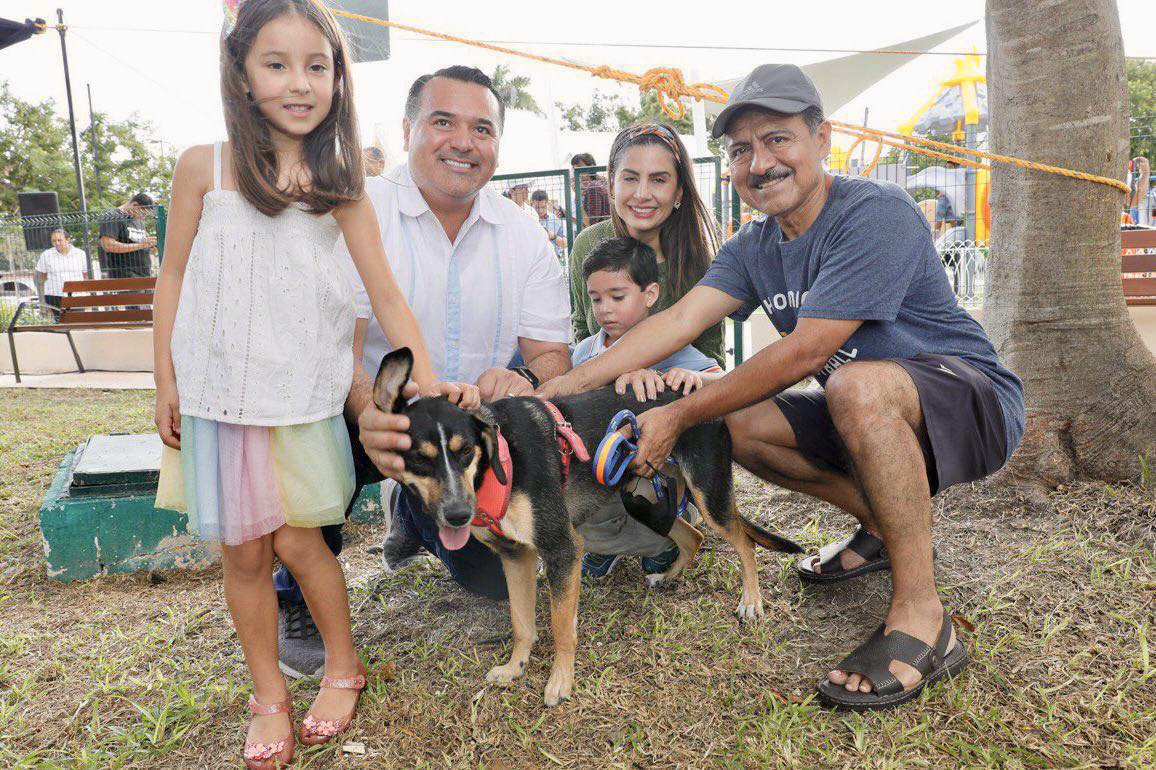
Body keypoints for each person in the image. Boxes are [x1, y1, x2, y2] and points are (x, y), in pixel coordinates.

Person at [540, 63, 1025, 711]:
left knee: (846, 385)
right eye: (741, 150)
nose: (759, 162)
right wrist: (555, 394)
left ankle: (922, 616)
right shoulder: (753, 245)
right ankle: (881, 527)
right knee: (733, 424)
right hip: (866, 409)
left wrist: (678, 414)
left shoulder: (874, 212)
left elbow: (809, 350)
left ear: (822, 138)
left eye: (778, 139)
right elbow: (675, 324)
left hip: (971, 402)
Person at [151, 4, 476, 767]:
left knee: (301, 542)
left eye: (317, 66)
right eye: (277, 63)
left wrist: (424, 385)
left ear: (339, 77)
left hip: (297, 397)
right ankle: (268, 693)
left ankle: (342, 665)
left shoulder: (343, 183)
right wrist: (163, 374)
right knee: (243, 554)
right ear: (240, 71)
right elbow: (172, 274)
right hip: (217, 398)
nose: (300, 83)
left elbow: (386, 295)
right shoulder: (203, 165)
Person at [273, 64, 572, 679]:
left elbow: (550, 360)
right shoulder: (362, 208)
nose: (464, 141)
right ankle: (295, 593)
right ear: (408, 130)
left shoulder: (525, 233)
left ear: (497, 144)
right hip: (369, 409)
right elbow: (339, 352)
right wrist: (373, 418)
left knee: (495, 581)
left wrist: (523, 382)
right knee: (313, 431)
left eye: (482, 128)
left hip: (469, 438)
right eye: (443, 122)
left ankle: (413, 510)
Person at [573, 236, 723, 577]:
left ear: (650, 295)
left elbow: (725, 381)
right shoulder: (584, 352)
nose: (605, 309)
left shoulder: (671, 348)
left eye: (617, 296)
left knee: (644, 488)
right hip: (604, 468)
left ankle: (665, 538)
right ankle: (606, 544)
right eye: (595, 299)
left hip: (659, 471)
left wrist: (691, 378)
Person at [567, 124, 724, 368]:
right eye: (629, 178)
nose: (642, 194)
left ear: (679, 191)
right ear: (611, 184)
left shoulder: (699, 262)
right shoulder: (587, 245)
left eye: (658, 180)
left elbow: (712, 361)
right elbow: (582, 330)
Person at [98, 193, 156, 278]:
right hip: (125, 277)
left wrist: (150, 245)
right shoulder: (112, 217)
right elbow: (108, 245)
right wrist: (142, 245)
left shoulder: (137, 220)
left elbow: (141, 243)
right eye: (143, 214)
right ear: (135, 205)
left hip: (145, 276)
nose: (143, 218)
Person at [34, 228, 88, 316]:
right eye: (54, 241)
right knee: (61, 323)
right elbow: (42, 275)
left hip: (77, 295)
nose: (57, 243)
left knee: (78, 321)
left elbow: (85, 274)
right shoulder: (46, 255)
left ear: (68, 240)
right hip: (55, 295)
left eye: (59, 240)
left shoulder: (80, 254)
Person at [571, 152, 610, 227]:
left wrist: (578, 198)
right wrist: (567, 216)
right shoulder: (590, 188)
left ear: (591, 167)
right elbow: (586, 225)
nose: (577, 172)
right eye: (574, 169)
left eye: (579, 168)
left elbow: (591, 225)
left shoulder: (594, 188)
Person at [531, 189, 567, 259]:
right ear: (532, 203)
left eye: (543, 207)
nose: (540, 211)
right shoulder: (527, 219)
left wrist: (551, 235)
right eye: (537, 207)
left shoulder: (556, 220)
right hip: (533, 260)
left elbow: (565, 244)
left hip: (553, 259)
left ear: (547, 203)